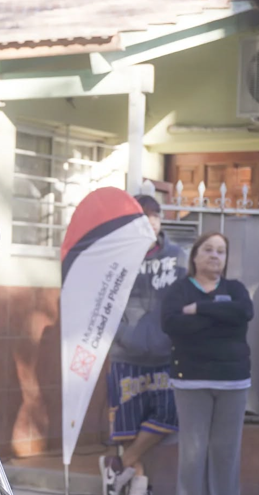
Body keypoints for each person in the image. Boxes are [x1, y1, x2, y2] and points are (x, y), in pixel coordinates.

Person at [99, 195, 187, 495]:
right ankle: (138, 482)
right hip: (126, 354)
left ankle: (118, 466)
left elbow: (184, 302)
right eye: (144, 216)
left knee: (169, 416)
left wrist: (173, 336)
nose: (151, 222)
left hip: (165, 356)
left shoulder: (178, 257)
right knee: (127, 425)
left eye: (155, 216)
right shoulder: (116, 258)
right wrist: (123, 334)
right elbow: (103, 304)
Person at [162, 232, 253, 495]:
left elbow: (244, 312)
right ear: (195, 256)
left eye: (220, 251)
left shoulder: (235, 288)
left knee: (226, 452)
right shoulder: (179, 290)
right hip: (191, 381)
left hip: (233, 382)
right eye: (208, 249)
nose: (215, 255)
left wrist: (199, 309)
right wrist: (222, 317)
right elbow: (172, 324)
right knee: (193, 453)